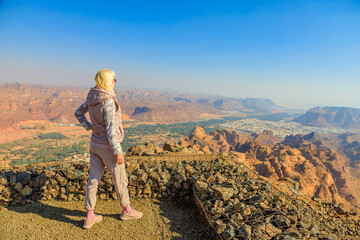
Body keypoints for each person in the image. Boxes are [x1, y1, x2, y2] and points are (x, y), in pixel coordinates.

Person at [74, 69, 143, 229]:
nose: (115, 81)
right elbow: (111, 130)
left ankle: (90, 216)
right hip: (108, 147)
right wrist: (117, 151)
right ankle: (127, 210)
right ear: (106, 80)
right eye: (114, 79)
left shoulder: (92, 97)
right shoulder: (108, 101)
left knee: (93, 179)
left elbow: (78, 113)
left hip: (95, 144)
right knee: (120, 179)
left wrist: (89, 126)